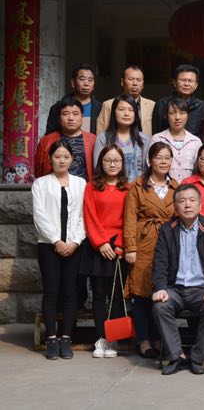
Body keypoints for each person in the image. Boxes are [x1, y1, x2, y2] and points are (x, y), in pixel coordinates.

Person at [152, 184, 204, 375]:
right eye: (182, 201)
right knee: (160, 307)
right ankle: (176, 356)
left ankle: (197, 358)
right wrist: (160, 287)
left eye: (192, 200)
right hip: (175, 289)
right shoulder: (167, 230)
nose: (187, 205)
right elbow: (159, 263)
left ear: (200, 205)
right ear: (175, 207)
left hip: (202, 289)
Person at [32, 139, 87, 360]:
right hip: (48, 246)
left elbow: (84, 216)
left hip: (74, 246)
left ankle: (66, 338)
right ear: (50, 159)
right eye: (57, 157)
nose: (61, 161)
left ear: (72, 159)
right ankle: (51, 338)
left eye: (66, 157)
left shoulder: (81, 183)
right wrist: (56, 241)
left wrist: (75, 241)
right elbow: (40, 216)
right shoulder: (40, 184)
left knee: (70, 292)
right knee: (51, 291)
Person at [123, 142, 178, 359]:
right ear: (150, 160)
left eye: (167, 158)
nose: (163, 162)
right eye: (159, 157)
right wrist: (130, 247)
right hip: (144, 244)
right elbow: (129, 219)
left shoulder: (176, 186)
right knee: (142, 293)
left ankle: (158, 338)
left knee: (161, 292)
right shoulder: (137, 186)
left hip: (168, 244)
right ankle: (143, 339)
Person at [82, 144, 129, 359]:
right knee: (99, 295)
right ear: (101, 163)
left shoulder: (128, 188)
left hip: (119, 249)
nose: (112, 164)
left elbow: (129, 219)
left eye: (116, 160)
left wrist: (120, 244)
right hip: (97, 248)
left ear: (122, 163)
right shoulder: (92, 187)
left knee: (117, 295)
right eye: (108, 160)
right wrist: (101, 243)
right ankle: (100, 338)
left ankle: (113, 338)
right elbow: (89, 216)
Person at [35, 96, 96, 180]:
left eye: (75, 114)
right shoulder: (46, 141)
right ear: (59, 117)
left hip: (84, 187)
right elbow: (38, 171)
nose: (71, 118)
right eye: (65, 114)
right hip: (54, 186)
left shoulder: (93, 140)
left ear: (82, 116)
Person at [94, 94, 151, 180]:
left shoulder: (144, 139)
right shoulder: (103, 138)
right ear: (114, 112)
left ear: (135, 114)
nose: (126, 114)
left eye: (131, 110)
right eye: (121, 109)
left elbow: (146, 171)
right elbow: (98, 170)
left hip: (137, 187)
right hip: (110, 186)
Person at [150, 97, 202, 183]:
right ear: (166, 115)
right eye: (172, 113)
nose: (177, 117)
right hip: (164, 188)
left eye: (182, 113)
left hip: (189, 189)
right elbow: (150, 167)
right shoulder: (157, 139)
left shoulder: (196, 142)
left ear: (188, 116)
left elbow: (200, 171)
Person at [97, 64, 156, 136]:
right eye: (131, 79)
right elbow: (101, 132)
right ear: (122, 82)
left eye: (139, 80)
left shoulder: (152, 105)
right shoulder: (108, 105)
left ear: (142, 84)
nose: (135, 83)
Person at [45, 63, 101, 134]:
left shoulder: (100, 109)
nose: (86, 84)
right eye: (82, 79)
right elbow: (50, 136)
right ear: (73, 83)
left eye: (90, 80)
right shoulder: (57, 108)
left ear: (94, 84)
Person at [152, 64, 204, 136]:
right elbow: (156, 131)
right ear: (174, 82)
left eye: (190, 81)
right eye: (183, 80)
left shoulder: (202, 106)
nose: (186, 84)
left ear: (196, 85)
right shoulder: (162, 104)